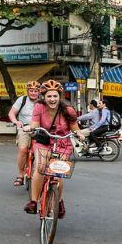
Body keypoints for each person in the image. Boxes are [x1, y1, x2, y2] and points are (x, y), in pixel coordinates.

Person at [22, 80, 83, 218]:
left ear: (59, 96)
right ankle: (33, 202)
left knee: (57, 175)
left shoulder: (68, 110)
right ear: (44, 97)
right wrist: (30, 128)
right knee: (40, 168)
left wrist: (79, 133)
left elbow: (75, 128)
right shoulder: (39, 107)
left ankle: (59, 201)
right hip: (44, 141)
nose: (52, 99)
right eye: (49, 96)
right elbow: (35, 124)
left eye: (55, 96)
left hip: (63, 143)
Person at [8, 81, 41, 187]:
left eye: (36, 91)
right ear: (27, 91)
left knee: (45, 151)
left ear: (39, 92)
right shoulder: (22, 100)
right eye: (31, 91)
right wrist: (16, 122)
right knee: (23, 149)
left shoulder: (43, 101)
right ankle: (20, 174)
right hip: (24, 128)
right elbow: (12, 113)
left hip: (39, 129)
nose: (33, 93)